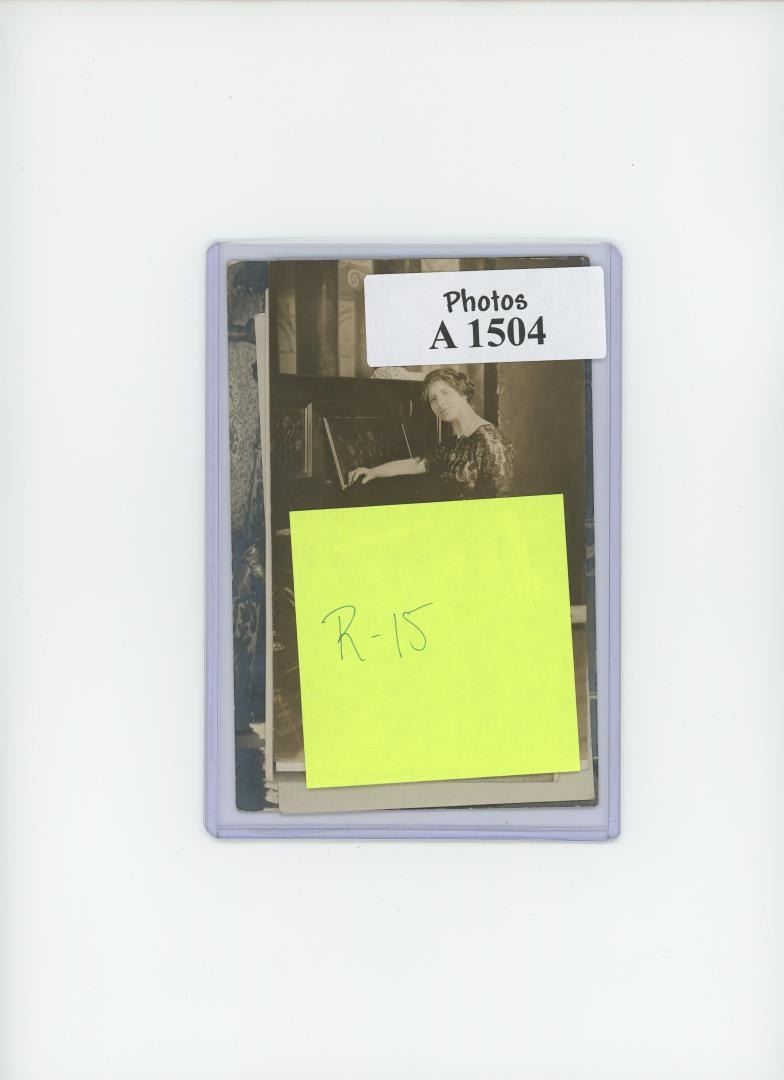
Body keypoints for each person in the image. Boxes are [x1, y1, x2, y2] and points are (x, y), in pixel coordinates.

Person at [348, 367, 515, 499]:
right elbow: (415, 464)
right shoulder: (454, 443)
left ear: (463, 393)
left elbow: (501, 506)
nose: (440, 403)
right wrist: (372, 472)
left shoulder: (490, 442)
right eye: (433, 399)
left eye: (445, 393)